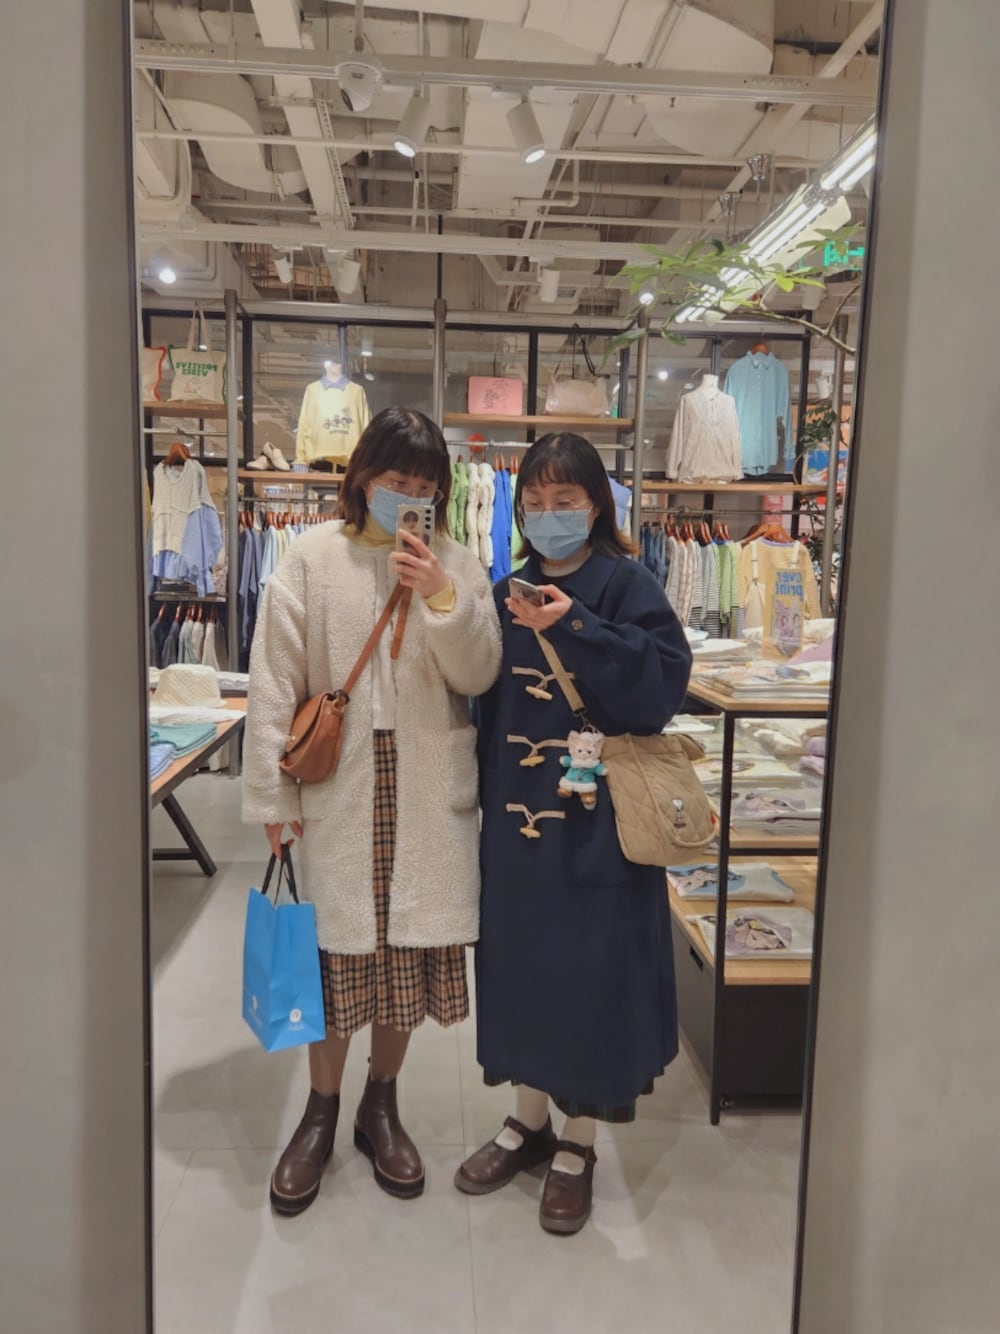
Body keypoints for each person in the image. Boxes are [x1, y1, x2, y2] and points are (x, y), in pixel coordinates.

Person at [243, 406, 501, 1215]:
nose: (410, 498)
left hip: (424, 783)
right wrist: (273, 796)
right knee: (337, 961)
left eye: (425, 486)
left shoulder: (457, 562)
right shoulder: (312, 557)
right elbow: (274, 680)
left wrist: (443, 598)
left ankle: (379, 1106)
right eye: (396, 481)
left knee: (406, 963)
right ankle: (321, 1110)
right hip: (340, 783)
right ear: (361, 478)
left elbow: (479, 675)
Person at [456, 432, 692, 1234]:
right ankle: (527, 1122)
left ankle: (578, 1143)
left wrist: (581, 626)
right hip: (516, 824)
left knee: (591, 976)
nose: (548, 514)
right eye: (535, 502)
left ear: (597, 505)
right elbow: (485, 702)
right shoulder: (505, 591)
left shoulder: (626, 583)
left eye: (566, 500)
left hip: (597, 827)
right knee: (521, 968)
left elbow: (663, 688)